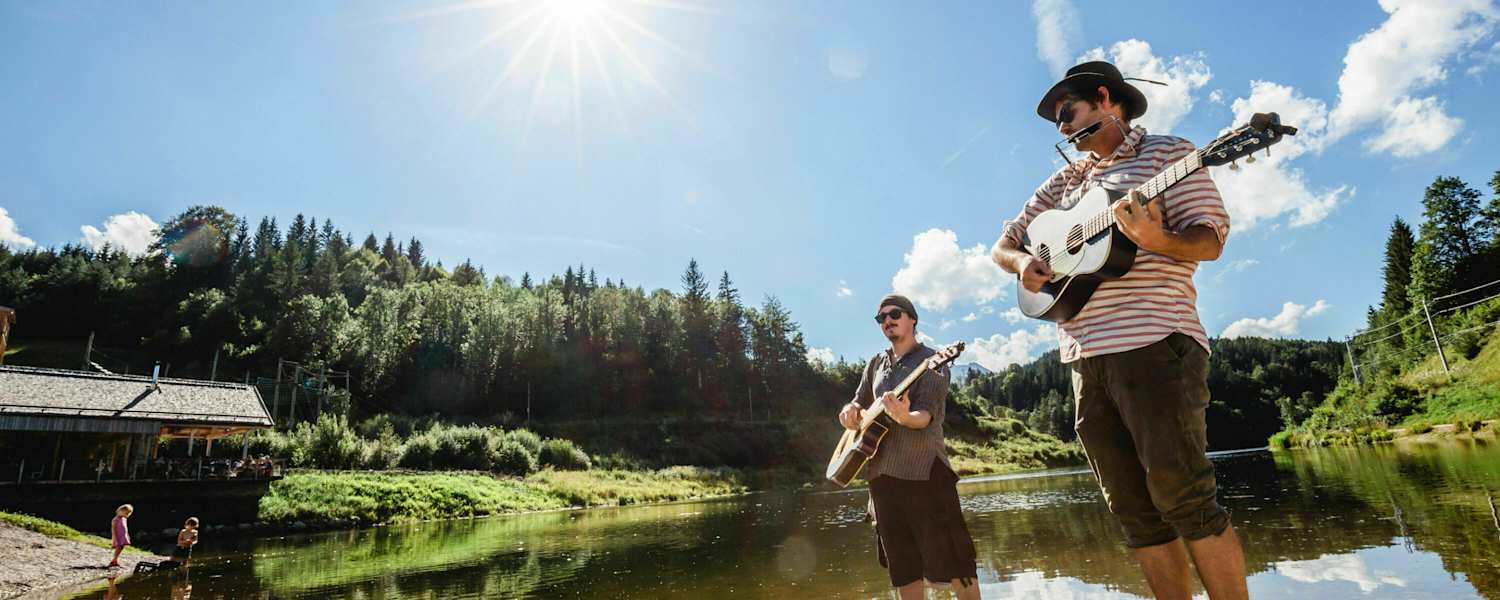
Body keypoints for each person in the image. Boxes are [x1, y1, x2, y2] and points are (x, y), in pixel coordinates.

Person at [991, 60, 1247, 600]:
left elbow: (1210, 239)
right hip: (1084, 357)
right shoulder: (1063, 183)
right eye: (1057, 122)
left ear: (1105, 99)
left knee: (1186, 498)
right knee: (1133, 510)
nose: (1062, 127)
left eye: (1067, 113)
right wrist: (1023, 264)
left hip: (1155, 342)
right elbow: (1004, 245)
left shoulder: (1170, 154)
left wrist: (1159, 241)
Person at [837, 294, 980, 600]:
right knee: (904, 569)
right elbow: (858, 401)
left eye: (895, 314)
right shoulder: (875, 363)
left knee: (958, 563)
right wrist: (849, 411)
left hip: (925, 473)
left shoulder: (933, 361)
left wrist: (904, 417)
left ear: (912, 319)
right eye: (881, 318)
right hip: (882, 479)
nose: (887, 321)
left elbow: (927, 414)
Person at [109, 504, 133, 568]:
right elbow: (113, 529)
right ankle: (114, 560)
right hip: (118, 536)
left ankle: (115, 560)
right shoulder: (115, 519)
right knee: (118, 547)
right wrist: (114, 537)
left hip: (123, 536)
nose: (128, 515)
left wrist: (127, 535)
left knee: (121, 547)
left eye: (129, 513)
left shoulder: (124, 519)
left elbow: (125, 528)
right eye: (126, 513)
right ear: (121, 511)